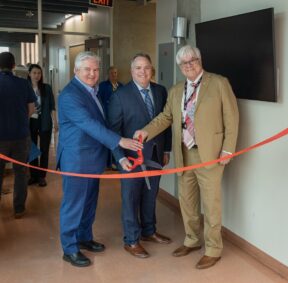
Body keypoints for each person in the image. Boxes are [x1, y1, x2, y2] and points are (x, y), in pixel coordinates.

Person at [135, 45, 239, 269]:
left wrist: (228, 149)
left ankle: (213, 249)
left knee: (211, 204)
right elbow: (165, 118)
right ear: (179, 67)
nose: (189, 65)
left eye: (192, 60)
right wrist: (146, 131)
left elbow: (232, 117)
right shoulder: (175, 90)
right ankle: (192, 240)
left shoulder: (219, 83)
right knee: (188, 203)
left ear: (200, 60)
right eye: (184, 63)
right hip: (184, 154)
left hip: (210, 155)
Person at [57, 51, 143, 268]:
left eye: (95, 70)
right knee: (74, 204)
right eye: (87, 69)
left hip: (92, 159)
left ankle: (84, 238)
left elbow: (100, 124)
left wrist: (117, 156)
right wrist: (119, 142)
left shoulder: (92, 91)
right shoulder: (70, 95)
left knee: (89, 203)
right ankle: (69, 248)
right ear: (76, 71)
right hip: (76, 160)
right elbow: (89, 124)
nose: (92, 74)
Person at [108, 53, 172, 258]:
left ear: (152, 69)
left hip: (156, 154)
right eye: (138, 68)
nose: (143, 72)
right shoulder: (120, 95)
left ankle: (149, 231)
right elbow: (112, 131)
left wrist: (166, 149)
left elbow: (166, 122)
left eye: (146, 68)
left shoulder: (161, 91)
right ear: (131, 70)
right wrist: (120, 157)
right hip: (130, 159)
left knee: (151, 196)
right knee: (131, 199)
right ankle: (131, 240)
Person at [0, 52, 36, 218]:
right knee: (21, 173)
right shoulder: (24, 84)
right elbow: (31, 109)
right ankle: (19, 208)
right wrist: (20, 119)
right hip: (21, 136)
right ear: (14, 65)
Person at [27, 64, 58, 187]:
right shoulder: (25, 87)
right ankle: (33, 175)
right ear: (29, 74)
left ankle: (42, 176)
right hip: (30, 121)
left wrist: (55, 122)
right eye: (34, 73)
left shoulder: (47, 88)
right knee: (32, 149)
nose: (37, 75)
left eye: (39, 73)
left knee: (44, 149)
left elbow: (52, 106)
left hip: (45, 121)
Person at [98, 66, 123, 169]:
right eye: (112, 73)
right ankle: (107, 162)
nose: (114, 75)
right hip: (106, 116)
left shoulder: (121, 86)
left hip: (119, 118)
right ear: (109, 74)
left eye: (116, 73)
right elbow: (99, 100)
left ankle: (117, 160)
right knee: (107, 139)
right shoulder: (103, 86)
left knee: (117, 139)